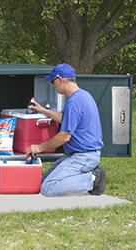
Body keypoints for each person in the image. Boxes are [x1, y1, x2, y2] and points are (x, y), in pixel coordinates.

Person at [26, 63, 106, 196]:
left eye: (53, 82)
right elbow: (65, 119)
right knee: (44, 181)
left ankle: (93, 178)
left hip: (83, 157)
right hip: (81, 155)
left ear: (60, 80)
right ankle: (89, 176)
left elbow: (64, 136)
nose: (53, 85)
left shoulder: (74, 102)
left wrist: (39, 148)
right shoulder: (82, 96)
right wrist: (42, 110)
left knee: (48, 187)